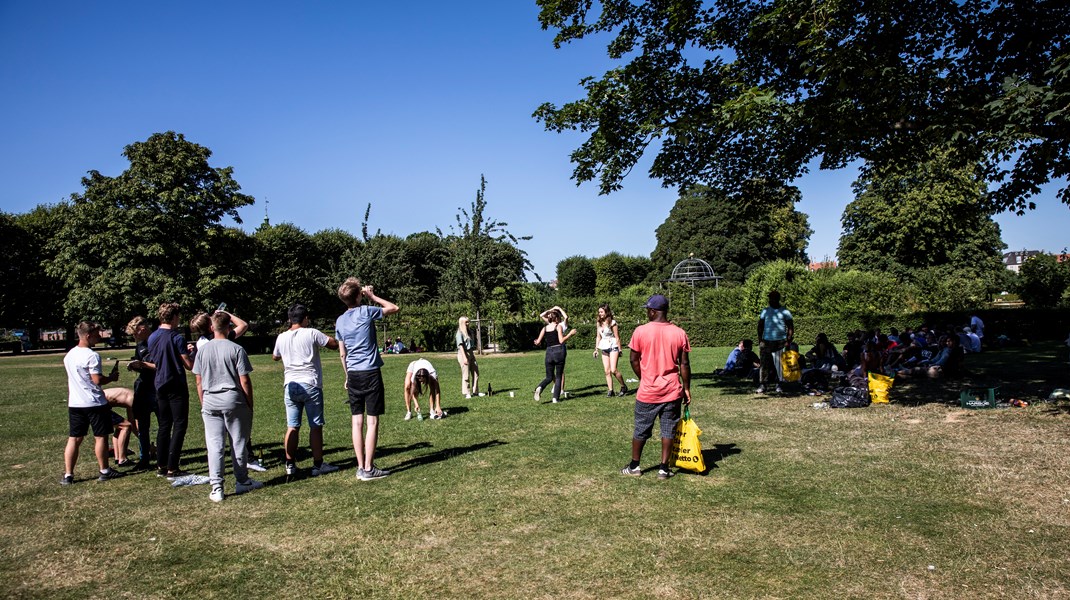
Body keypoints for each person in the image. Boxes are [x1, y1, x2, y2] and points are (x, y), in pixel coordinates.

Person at [193, 312, 262, 502]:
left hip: (210, 400)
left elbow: (198, 381)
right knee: (238, 442)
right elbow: (244, 381)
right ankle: (242, 481)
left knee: (214, 445)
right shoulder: (236, 349)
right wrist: (249, 403)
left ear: (211, 328)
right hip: (233, 399)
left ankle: (217, 487)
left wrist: (203, 402)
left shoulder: (202, 350)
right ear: (229, 327)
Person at [621, 294, 691, 480]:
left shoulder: (641, 331)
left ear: (652, 311)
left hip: (648, 392)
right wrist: (687, 388)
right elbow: (684, 364)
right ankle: (663, 469)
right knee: (668, 429)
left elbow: (633, 359)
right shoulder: (679, 332)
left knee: (641, 429)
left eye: (647, 310)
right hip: (672, 390)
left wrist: (644, 378)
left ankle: (635, 466)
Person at [336, 277, 399, 481]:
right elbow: (393, 307)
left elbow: (342, 354)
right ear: (358, 296)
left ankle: (360, 466)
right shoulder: (366, 311)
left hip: (353, 374)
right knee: (372, 422)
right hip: (370, 372)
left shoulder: (340, 320)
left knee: (357, 422)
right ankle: (369, 468)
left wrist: (347, 376)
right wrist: (372, 296)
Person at [272, 304, 340, 477]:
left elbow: (275, 356)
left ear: (289, 319)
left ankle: (290, 463)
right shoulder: (311, 333)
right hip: (310, 383)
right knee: (315, 426)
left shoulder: (281, 337)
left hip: (290, 384)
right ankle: (318, 465)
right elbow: (333, 344)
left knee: (292, 426)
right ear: (305, 318)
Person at [60, 321, 124, 485]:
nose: (99, 337)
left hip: (75, 403)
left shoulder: (70, 355)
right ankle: (104, 470)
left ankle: (68, 475)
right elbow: (97, 380)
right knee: (100, 437)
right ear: (88, 336)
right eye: (96, 334)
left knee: (74, 438)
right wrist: (111, 378)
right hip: (94, 403)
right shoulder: (92, 355)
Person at [147, 303, 195, 480]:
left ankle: (161, 464)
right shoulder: (177, 337)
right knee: (180, 425)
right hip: (176, 384)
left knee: (164, 425)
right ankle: (173, 467)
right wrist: (192, 353)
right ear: (174, 317)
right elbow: (189, 365)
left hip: (160, 383)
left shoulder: (152, 337)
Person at [124, 316, 157, 469]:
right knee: (142, 426)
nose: (134, 337)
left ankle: (164, 455)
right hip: (142, 389)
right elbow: (141, 363)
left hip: (156, 389)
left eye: (135, 334)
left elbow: (160, 365)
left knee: (164, 423)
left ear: (142, 329)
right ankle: (144, 459)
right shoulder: (140, 346)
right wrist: (136, 366)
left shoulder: (157, 341)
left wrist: (142, 364)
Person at [533, 307, 576, 403]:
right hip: (559, 351)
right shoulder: (558, 327)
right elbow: (561, 340)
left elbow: (538, 342)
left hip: (549, 352)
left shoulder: (545, 328)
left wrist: (537, 342)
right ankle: (555, 398)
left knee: (549, 377)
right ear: (556, 319)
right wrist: (570, 334)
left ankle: (540, 387)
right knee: (559, 376)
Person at [756, 290, 793, 394]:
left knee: (779, 364)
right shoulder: (765, 311)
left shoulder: (785, 311)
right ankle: (763, 384)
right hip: (766, 341)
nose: (770, 300)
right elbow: (760, 325)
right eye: (770, 298)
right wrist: (760, 339)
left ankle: (779, 384)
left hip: (780, 342)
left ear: (777, 299)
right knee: (764, 364)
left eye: (772, 298)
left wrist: (788, 340)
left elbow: (790, 326)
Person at [593, 304, 629, 397]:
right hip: (604, 346)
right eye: (599, 312)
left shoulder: (612, 322)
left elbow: (617, 337)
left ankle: (623, 386)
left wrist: (620, 349)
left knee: (613, 370)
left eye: (601, 312)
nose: (600, 313)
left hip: (613, 346)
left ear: (606, 312)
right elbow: (598, 337)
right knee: (607, 371)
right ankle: (610, 390)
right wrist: (596, 349)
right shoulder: (599, 322)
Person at [103, 387, 136, 467]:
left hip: (92, 403)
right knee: (126, 427)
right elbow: (134, 427)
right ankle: (122, 459)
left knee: (121, 427)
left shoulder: (132, 395)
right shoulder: (135, 400)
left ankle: (117, 457)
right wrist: (147, 446)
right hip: (98, 405)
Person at [455, 317, 479, 398]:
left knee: (476, 372)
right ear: (462, 323)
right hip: (463, 354)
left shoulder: (469, 332)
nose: (468, 324)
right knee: (466, 375)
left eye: (468, 322)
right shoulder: (459, 333)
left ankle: (476, 392)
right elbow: (461, 346)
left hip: (471, 353)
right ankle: (467, 393)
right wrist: (465, 358)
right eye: (466, 322)